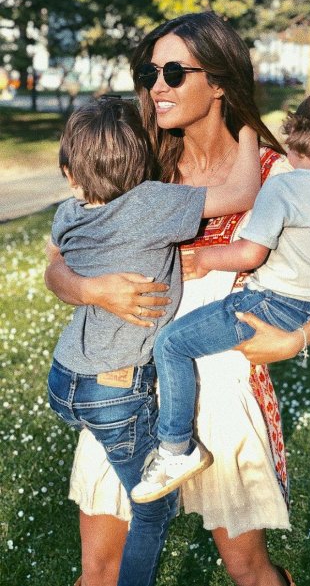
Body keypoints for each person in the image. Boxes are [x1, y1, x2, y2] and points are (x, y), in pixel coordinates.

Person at [44, 12, 310, 586]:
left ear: (218, 82)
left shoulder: (279, 174)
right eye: (149, 72)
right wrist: (91, 289)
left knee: (247, 568)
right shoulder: (135, 157)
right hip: (128, 385)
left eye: (173, 72)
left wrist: (295, 339)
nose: (155, 86)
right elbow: (56, 261)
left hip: (221, 388)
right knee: (100, 569)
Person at [46, 97, 261, 586]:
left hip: (65, 379)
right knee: (154, 504)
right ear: (143, 164)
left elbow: (55, 261)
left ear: (68, 171)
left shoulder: (67, 213)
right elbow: (243, 191)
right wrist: (247, 131)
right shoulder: (153, 202)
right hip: (113, 390)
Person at [131, 83, 310, 503]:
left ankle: (175, 448)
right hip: (306, 309)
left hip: (265, 304)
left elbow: (250, 253)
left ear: (299, 133)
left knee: (171, 344)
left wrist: (206, 259)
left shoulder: (285, 187)